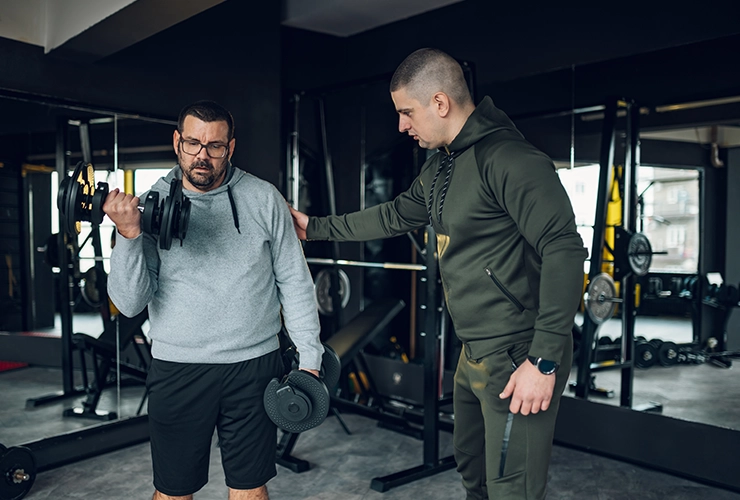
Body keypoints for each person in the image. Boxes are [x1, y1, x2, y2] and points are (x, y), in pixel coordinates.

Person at [290, 48, 587, 500]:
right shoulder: (442, 165)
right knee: (475, 473)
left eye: (407, 112)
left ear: (441, 103)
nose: (402, 125)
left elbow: (564, 248)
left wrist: (543, 360)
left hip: (520, 352)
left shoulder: (511, 160)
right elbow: (394, 215)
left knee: (514, 488)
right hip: (474, 351)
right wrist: (314, 228)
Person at [104, 100, 323, 500]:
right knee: (172, 492)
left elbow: (295, 281)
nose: (202, 155)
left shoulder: (263, 198)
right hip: (178, 367)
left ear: (231, 147)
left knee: (250, 489)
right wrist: (129, 235)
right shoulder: (149, 205)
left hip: (254, 367)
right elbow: (130, 303)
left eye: (215, 146)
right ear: (177, 142)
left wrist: (310, 360)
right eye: (192, 143)